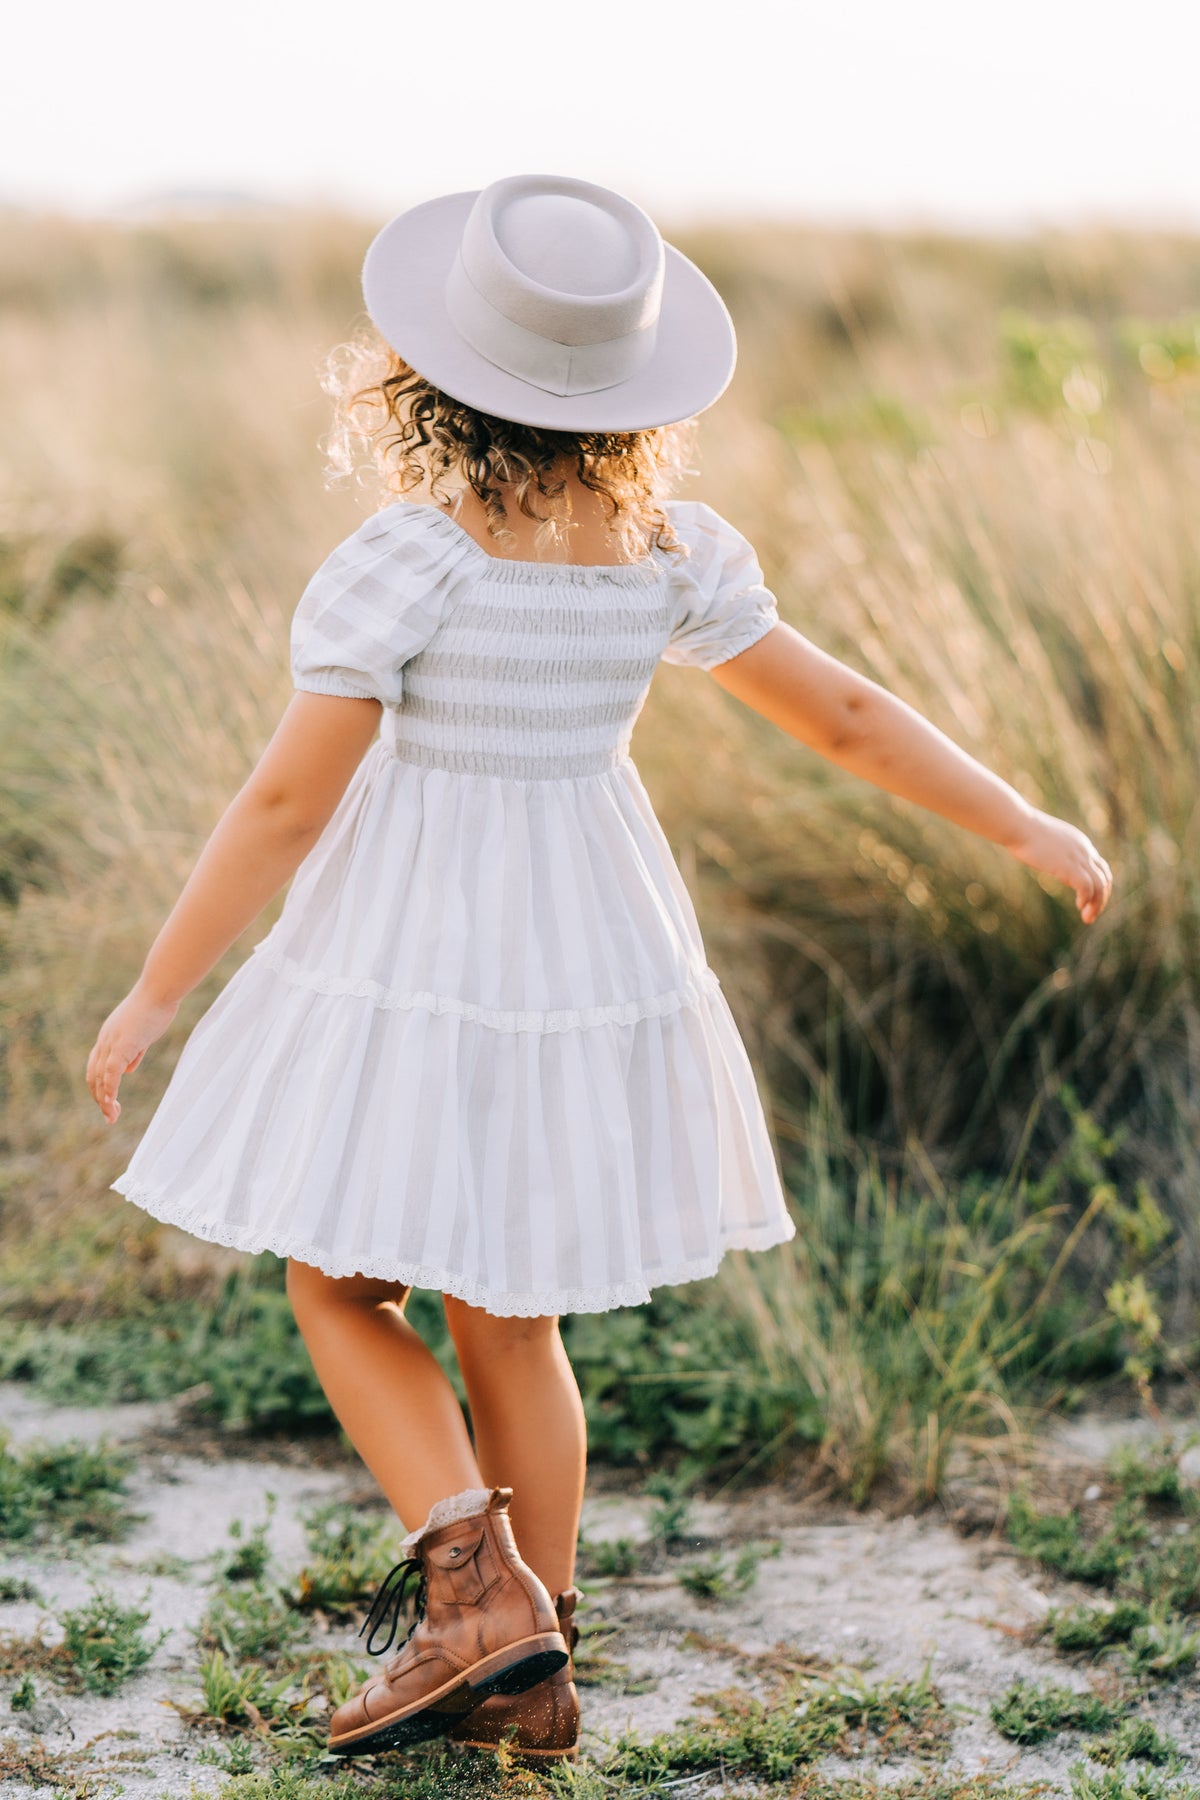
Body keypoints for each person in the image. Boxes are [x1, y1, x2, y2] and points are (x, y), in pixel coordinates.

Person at [85, 173, 1113, 1764]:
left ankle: (472, 1587)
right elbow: (841, 714)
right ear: (630, 394)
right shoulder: (668, 552)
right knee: (518, 1318)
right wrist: (1019, 817)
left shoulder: (410, 561)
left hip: (413, 943)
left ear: (429, 379)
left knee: (340, 1280)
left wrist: (162, 989)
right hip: (586, 943)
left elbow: (290, 801)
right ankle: (535, 1663)